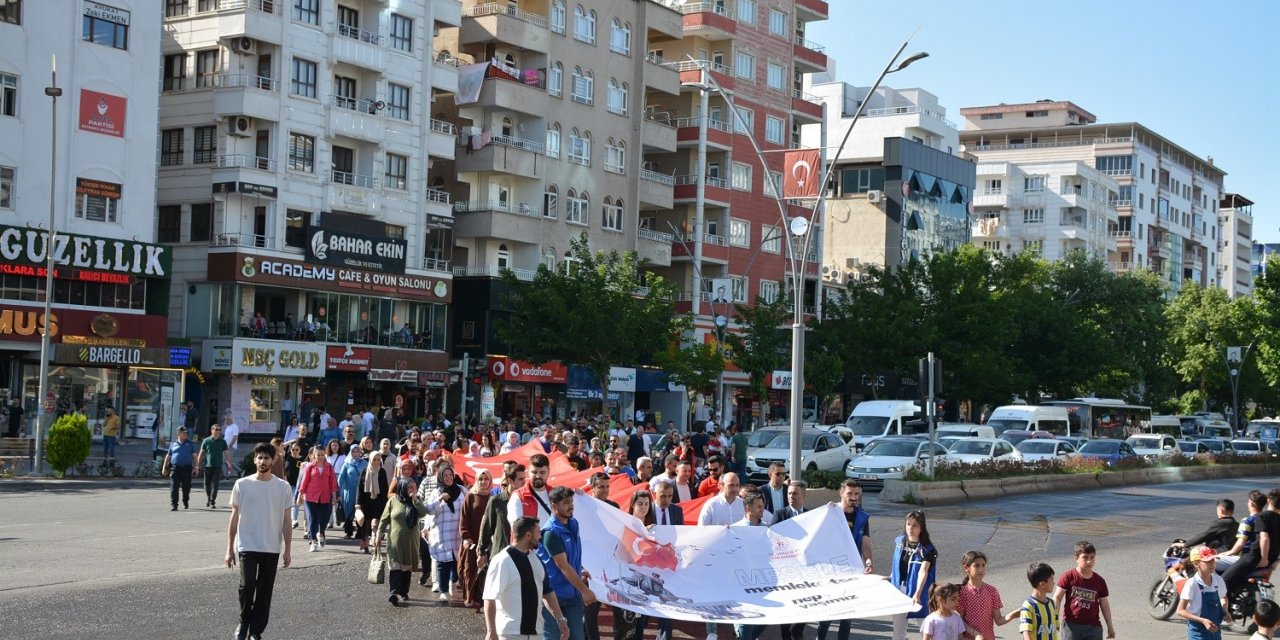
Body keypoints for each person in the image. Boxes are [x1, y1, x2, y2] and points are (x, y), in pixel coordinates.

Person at [225, 442, 293, 640]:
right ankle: (244, 621)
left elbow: (287, 522)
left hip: (271, 547)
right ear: (254, 460)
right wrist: (229, 548)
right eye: (259, 457)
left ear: (273, 460)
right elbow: (234, 518)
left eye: (266, 458)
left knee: (264, 592)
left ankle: (256, 631)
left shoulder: (283, 487)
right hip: (247, 544)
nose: (262, 461)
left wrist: (288, 550)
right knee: (247, 586)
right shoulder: (242, 484)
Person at [484, 516, 571, 640]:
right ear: (528, 535)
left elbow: (547, 592)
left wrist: (560, 619)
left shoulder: (536, 559)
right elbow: (489, 597)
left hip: (536, 633)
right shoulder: (502, 561)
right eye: (538, 533)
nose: (540, 537)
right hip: (511, 634)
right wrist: (491, 631)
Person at [816, 479, 874, 640]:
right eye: (849, 493)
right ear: (841, 493)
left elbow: (866, 542)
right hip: (831, 570)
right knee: (828, 613)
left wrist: (868, 561)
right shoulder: (831, 512)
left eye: (856, 494)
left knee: (847, 616)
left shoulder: (862, 517)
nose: (853, 497)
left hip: (852, 569)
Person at [537, 486, 596, 640]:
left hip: (573, 596)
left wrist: (580, 568)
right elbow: (562, 566)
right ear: (554, 507)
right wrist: (585, 590)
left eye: (571, 502)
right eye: (565, 503)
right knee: (553, 637)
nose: (570, 506)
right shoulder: (550, 533)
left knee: (577, 637)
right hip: (552, 596)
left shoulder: (573, 524)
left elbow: (571, 556)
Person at [375, 476, 427, 606]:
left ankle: (404, 591)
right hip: (394, 540)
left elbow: (423, 513)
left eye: (415, 487)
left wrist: (415, 500)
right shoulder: (393, 501)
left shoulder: (417, 501)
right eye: (410, 487)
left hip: (410, 541)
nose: (412, 490)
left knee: (406, 567)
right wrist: (379, 535)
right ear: (403, 487)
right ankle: (394, 592)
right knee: (395, 566)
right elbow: (384, 519)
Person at [1053, 541, 1115, 640]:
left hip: (1093, 628)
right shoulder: (1068, 576)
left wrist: (1110, 626)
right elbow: (1057, 597)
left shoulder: (1100, 581)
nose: (1089, 561)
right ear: (1076, 559)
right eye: (1085, 557)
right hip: (1071, 626)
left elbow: (1104, 605)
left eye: (1092, 557)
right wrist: (1054, 618)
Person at [891, 510, 937, 640]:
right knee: (898, 633)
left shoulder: (927, 549)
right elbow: (899, 564)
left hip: (919, 592)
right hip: (898, 590)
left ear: (921, 528)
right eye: (908, 524)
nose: (910, 528)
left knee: (926, 631)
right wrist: (890, 576)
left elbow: (924, 571)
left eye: (915, 525)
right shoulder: (900, 542)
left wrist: (917, 593)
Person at [427, 464, 468, 600]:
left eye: (451, 475)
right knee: (443, 563)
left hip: (457, 532)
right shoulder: (436, 493)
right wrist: (440, 499)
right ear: (440, 477)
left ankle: (453, 582)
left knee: (457, 561)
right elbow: (429, 510)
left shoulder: (461, 490)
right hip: (442, 532)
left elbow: (469, 507)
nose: (449, 478)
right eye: (445, 476)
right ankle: (443, 591)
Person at [479, 464, 527, 573]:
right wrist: (481, 553)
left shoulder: (526, 500)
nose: (524, 483)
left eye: (524, 479)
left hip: (521, 555)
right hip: (500, 554)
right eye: (520, 479)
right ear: (510, 480)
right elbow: (487, 528)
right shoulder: (496, 500)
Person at [1177, 546, 1231, 640]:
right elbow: (1180, 610)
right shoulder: (1192, 583)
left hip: (1215, 631)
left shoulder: (1218, 580)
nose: (1212, 563)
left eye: (1213, 560)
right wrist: (1202, 620)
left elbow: (1223, 598)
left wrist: (1225, 611)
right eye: (1207, 561)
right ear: (1196, 564)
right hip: (1198, 633)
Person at [460, 469, 494, 609]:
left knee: (487, 570)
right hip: (472, 540)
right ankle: (470, 597)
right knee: (470, 568)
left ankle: (483, 599)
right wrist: (466, 537)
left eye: (486, 479)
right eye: (480, 479)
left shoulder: (494, 497)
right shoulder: (471, 496)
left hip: (490, 540)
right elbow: (464, 518)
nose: (483, 482)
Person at [957, 550, 1011, 640]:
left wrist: (1013, 615)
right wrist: (975, 634)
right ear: (966, 568)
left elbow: (999, 620)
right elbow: (958, 620)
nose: (981, 569)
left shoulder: (992, 591)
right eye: (976, 566)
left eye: (983, 565)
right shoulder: (962, 593)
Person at [1224, 491, 1269, 590]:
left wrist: (1228, 553)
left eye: (1248, 501)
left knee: (1222, 582)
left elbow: (1240, 543)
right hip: (1263, 558)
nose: (1247, 503)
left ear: (1252, 504)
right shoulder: (1267, 520)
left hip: (1246, 557)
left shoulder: (1247, 521)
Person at [295, 446, 337, 552]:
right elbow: (304, 482)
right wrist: (300, 496)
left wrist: (334, 496)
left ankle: (321, 533)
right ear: (314, 455)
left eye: (322, 455)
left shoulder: (329, 467)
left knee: (324, 519)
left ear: (325, 455)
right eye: (318, 455)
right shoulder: (310, 466)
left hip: (325, 496)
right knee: (313, 518)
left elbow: (333, 483)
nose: (320, 457)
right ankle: (313, 541)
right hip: (310, 496)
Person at [356, 450, 389, 553]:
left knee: (375, 524)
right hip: (366, 501)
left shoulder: (382, 471)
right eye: (374, 459)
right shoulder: (365, 471)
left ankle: (375, 543)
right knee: (365, 524)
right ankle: (365, 543)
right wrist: (358, 504)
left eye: (378, 459)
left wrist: (387, 503)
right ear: (370, 459)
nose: (376, 461)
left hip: (378, 501)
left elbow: (385, 488)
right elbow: (359, 488)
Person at [197, 422, 235, 509]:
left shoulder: (222, 441)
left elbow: (226, 453)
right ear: (212, 430)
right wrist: (198, 465)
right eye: (216, 429)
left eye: (219, 430)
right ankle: (208, 498)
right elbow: (201, 453)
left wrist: (229, 463)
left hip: (218, 466)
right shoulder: (206, 441)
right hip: (207, 465)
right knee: (206, 484)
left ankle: (212, 501)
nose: (218, 431)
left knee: (215, 484)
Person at [509, 453, 553, 528]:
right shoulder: (518, 496)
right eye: (534, 472)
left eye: (542, 472)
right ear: (528, 471)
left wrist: (579, 494)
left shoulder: (555, 494)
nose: (538, 476)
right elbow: (517, 528)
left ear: (549, 471)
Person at [1019, 563, 1059, 640]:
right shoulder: (1028, 606)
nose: (1054, 583)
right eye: (1052, 579)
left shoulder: (1052, 604)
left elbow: (1055, 629)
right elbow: (1026, 633)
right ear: (1043, 584)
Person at [161, 426, 197, 511]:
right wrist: (164, 467)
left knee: (186, 487)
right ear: (178, 434)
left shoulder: (190, 443)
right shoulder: (173, 444)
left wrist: (196, 467)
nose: (185, 434)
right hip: (175, 468)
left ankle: (185, 500)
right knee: (174, 487)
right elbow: (168, 456)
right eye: (183, 432)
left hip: (187, 468)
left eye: (186, 432)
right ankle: (174, 505)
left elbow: (195, 456)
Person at [338, 446, 365, 539]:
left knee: (361, 510)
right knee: (349, 512)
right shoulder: (347, 464)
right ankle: (349, 532)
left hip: (362, 492)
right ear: (351, 452)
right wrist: (338, 492)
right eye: (353, 452)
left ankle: (360, 532)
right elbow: (341, 479)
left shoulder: (364, 463)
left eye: (357, 451)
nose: (356, 453)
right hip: (349, 491)